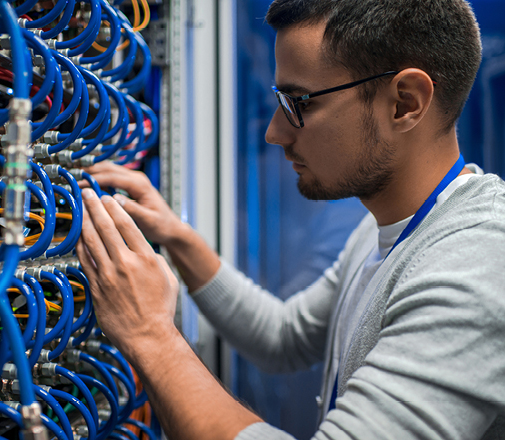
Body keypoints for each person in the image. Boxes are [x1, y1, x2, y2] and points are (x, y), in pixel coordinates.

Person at [76, 0, 505, 438]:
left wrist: (151, 335)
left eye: (299, 102)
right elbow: (285, 338)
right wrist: (176, 236)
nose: (274, 132)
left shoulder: (478, 266)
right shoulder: (390, 225)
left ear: (404, 103)